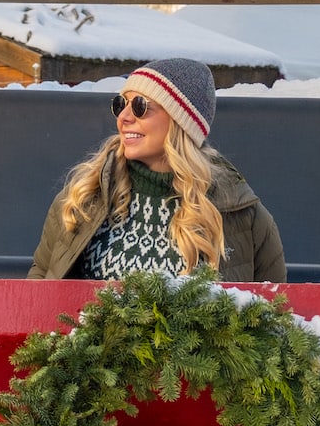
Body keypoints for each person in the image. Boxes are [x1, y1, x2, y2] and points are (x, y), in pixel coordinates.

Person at [29, 57, 286, 281]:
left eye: (140, 106)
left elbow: (272, 316)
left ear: (180, 122)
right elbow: (39, 286)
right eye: (121, 104)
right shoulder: (82, 199)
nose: (124, 117)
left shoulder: (242, 214)